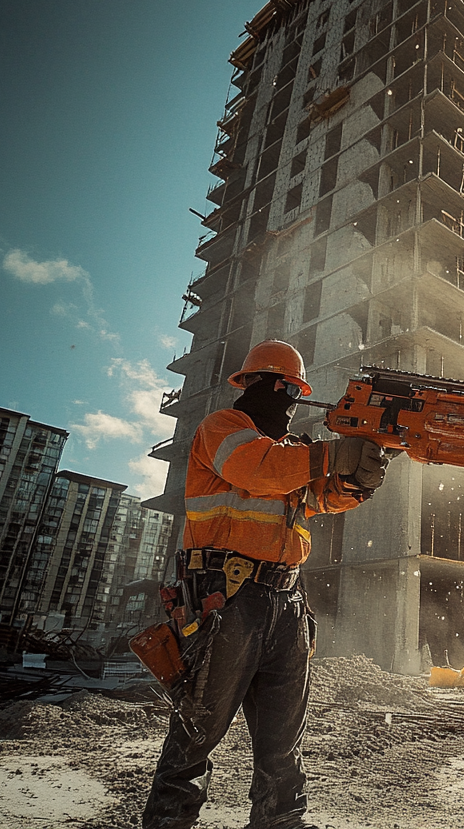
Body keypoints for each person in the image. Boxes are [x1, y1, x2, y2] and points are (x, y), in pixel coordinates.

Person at [143, 340, 388, 829]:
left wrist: (358, 477)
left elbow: (322, 499)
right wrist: (335, 453)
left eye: (294, 391)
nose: (290, 401)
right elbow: (254, 470)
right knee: (199, 728)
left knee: (282, 736)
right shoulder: (224, 429)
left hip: (286, 599)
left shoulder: (293, 453)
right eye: (286, 389)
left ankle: (282, 820)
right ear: (263, 384)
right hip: (225, 596)